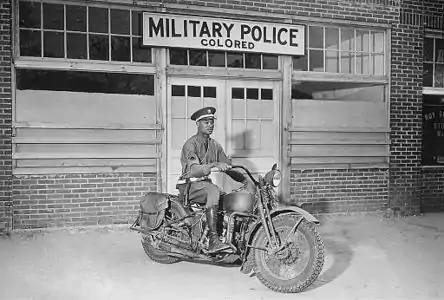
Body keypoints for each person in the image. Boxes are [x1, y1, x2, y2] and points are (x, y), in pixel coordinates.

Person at [178, 106, 233, 253]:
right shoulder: (190, 144)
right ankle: (213, 241)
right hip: (189, 185)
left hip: (203, 184)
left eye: (211, 122)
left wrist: (246, 180)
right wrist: (215, 164)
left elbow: (227, 165)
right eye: (206, 122)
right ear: (198, 124)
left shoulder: (215, 145)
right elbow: (194, 170)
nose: (210, 125)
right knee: (213, 192)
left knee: (227, 198)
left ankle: (222, 235)